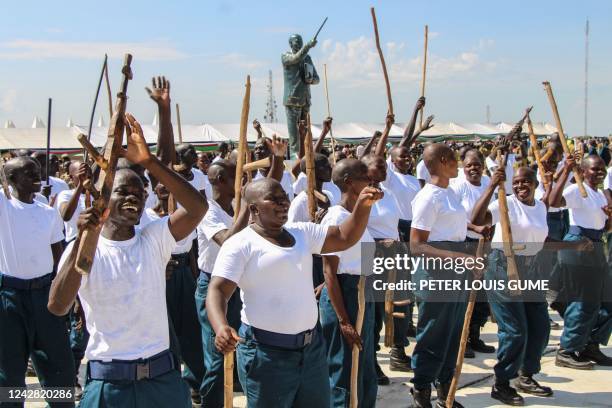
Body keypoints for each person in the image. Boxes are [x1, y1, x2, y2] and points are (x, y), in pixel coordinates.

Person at [48, 114, 208, 407]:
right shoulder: (84, 249)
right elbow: (58, 305)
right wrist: (86, 237)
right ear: (102, 197)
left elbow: (197, 208)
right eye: (123, 191)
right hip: (110, 384)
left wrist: (150, 162)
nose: (133, 198)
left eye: (139, 193)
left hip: (162, 382)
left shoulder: (153, 237)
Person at [206, 177, 382, 407]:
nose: (284, 203)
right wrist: (221, 326)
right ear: (254, 209)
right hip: (266, 354)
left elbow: (344, 236)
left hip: (311, 351)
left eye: (284, 198)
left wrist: (362, 205)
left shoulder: (301, 233)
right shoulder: (240, 244)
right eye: (274, 199)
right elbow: (217, 290)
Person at [472, 166, 557, 405]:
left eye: (526, 182)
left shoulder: (540, 206)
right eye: (516, 182)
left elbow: (540, 237)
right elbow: (476, 219)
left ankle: (525, 375)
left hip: (531, 268)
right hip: (503, 266)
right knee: (515, 330)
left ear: (535, 184)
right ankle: (501, 383)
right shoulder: (504, 203)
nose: (521, 186)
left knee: (540, 327)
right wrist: (491, 186)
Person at [409, 143, 481, 408]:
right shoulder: (429, 197)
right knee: (433, 333)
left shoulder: (449, 192)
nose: (458, 162)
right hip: (436, 272)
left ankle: (445, 390)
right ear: (442, 160)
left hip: (457, 270)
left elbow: (452, 227)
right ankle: (421, 389)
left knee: (452, 332)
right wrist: (459, 258)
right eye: (454, 158)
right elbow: (417, 245)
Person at [0, 156, 75, 407]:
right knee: (9, 372)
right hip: (9, 296)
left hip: (45, 295)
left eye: (36, 170)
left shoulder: (47, 212)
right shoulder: (3, 205)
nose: (36, 175)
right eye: (27, 172)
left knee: (58, 367)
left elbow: (58, 255)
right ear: (10, 180)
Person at [319, 158, 377, 407]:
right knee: (344, 367)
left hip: (363, 292)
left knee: (364, 366)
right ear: (349, 183)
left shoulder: (359, 214)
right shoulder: (335, 218)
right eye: (364, 176)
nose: (370, 179)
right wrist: (343, 320)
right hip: (346, 296)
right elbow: (329, 271)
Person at [548, 154, 612, 369]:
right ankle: (567, 350)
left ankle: (589, 344)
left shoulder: (601, 195)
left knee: (605, 300)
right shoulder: (577, 190)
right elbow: (553, 202)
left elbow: (605, 228)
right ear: (583, 171)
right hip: (577, 245)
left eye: (602, 168)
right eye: (594, 169)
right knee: (583, 301)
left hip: (595, 245)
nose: (600, 172)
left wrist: (610, 216)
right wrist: (566, 170)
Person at [449, 149, 496, 358]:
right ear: (463, 166)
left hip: (486, 245)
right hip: (466, 244)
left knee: (482, 296)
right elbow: (455, 217)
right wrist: (475, 228)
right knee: (466, 294)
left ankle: (475, 335)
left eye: (477, 164)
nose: (473, 169)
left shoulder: (488, 184)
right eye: (469, 165)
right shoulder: (458, 187)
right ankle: (462, 339)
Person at [282, 33, 319, 158]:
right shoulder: (286, 56)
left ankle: (306, 157)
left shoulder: (307, 58)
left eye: (300, 41)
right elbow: (296, 58)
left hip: (305, 100)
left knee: (305, 134)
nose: (298, 43)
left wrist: (310, 79)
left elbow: (317, 79)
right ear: (290, 44)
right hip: (292, 100)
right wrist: (308, 46)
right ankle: (295, 159)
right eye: (296, 41)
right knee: (294, 138)